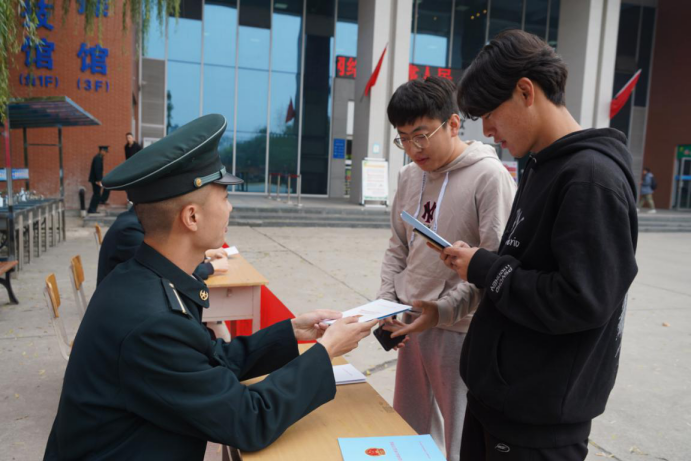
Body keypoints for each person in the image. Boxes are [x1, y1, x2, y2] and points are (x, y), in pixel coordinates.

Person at [44, 114, 378, 460]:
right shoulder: (152, 321)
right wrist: (326, 351)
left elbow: (208, 361)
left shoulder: (144, 279)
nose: (230, 207)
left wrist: (291, 331)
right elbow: (248, 419)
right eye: (225, 197)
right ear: (192, 217)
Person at [437, 30, 639, 460]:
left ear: (526, 91)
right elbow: (528, 264)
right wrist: (483, 263)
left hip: (536, 427)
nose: (488, 131)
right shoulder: (540, 166)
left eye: (490, 114)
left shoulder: (591, 179)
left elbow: (581, 300)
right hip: (497, 405)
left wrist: (486, 268)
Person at [377, 76, 516, 461]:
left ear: (453, 124)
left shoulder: (489, 177)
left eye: (421, 135)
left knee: (459, 436)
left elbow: (495, 265)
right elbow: (398, 247)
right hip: (410, 321)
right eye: (403, 138)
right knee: (409, 429)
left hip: (461, 330)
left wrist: (442, 311)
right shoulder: (409, 176)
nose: (413, 149)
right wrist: (385, 304)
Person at [96, 207, 227, 285]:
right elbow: (166, 269)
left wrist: (205, 254)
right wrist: (212, 267)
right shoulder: (130, 230)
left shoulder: (135, 220)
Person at [87, 145, 108, 214]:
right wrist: (99, 180)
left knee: (96, 194)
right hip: (96, 180)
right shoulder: (98, 158)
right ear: (101, 151)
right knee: (96, 194)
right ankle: (92, 209)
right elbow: (97, 170)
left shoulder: (99, 157)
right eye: (105, 151)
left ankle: (92, 209)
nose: (105, 153)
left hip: (95, 179)